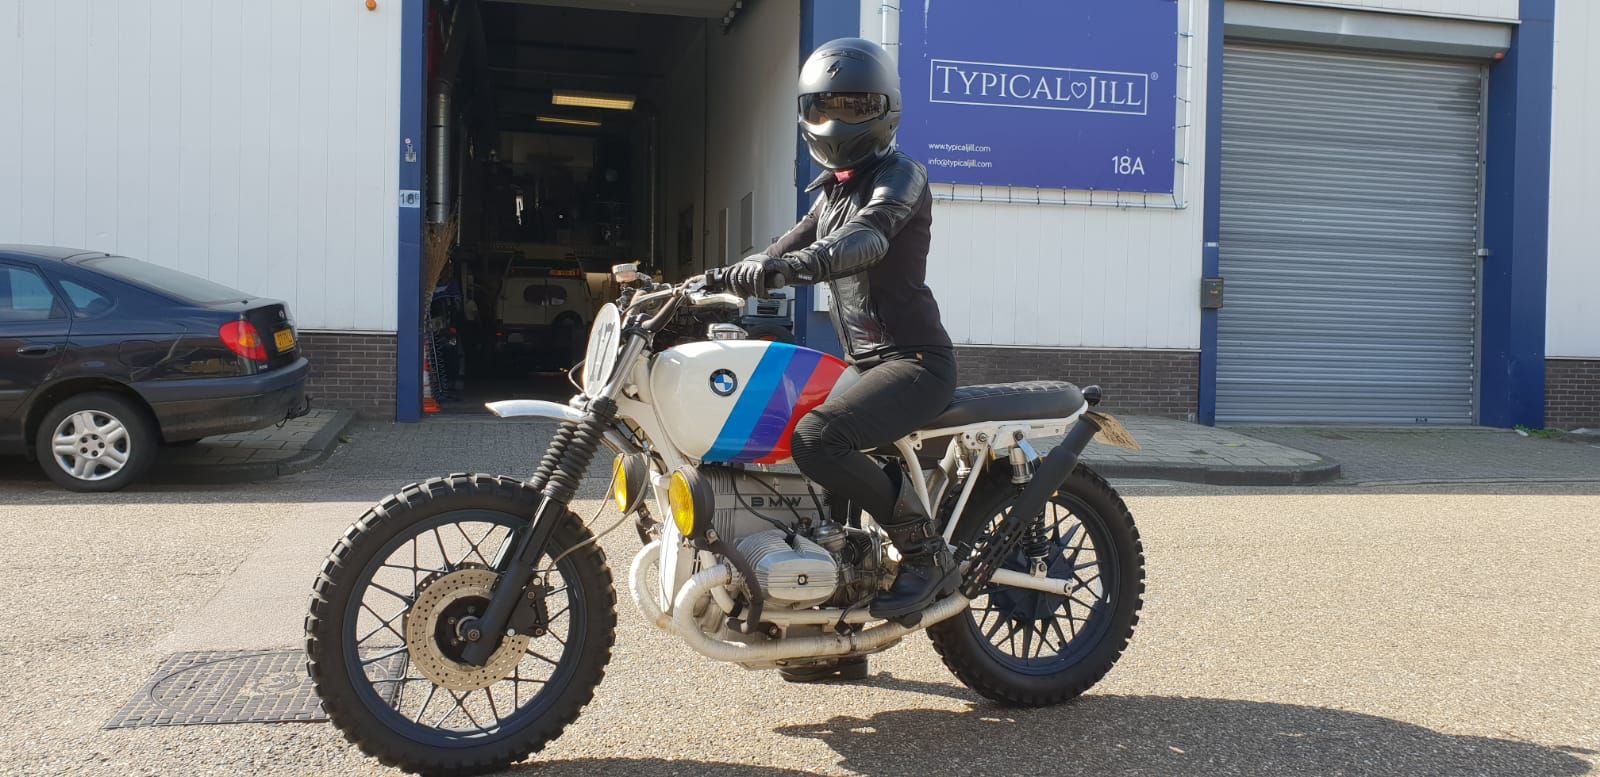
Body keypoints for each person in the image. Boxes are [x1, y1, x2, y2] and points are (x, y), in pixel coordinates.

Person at [725, 38, 958, 678]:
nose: (836, 119)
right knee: (786, 450)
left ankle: (925, 555)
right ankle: (832, 624)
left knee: (817, 438)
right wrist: (702, 284)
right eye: (824, 106)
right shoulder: (830, 192)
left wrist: (787, 268)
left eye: (855, 106)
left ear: (886, 109)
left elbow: (865, 239)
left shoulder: (902, 175)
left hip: (915, 361)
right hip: (864, 363)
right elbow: (781, 247)